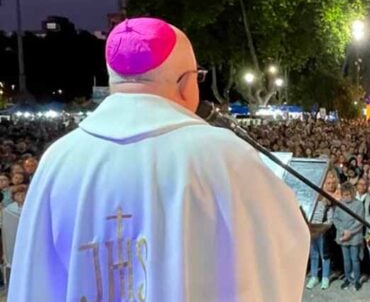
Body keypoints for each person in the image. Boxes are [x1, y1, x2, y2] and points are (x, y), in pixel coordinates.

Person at [8, 17, 309, 301]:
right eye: (198, 77)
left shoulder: (59, 160)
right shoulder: (227, 158)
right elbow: (280, 250)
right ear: (184, 83)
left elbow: (36, 280)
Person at [307, 172, 338, 290]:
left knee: (324, 255)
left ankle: (325, 277)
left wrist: (321, 229)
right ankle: (314, 276)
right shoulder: (313, 201)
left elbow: (330, 220)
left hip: (322, 232)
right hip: (312, 229)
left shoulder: (328, 203)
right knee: (313, 254)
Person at [333, 183, 365, 291]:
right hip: (342, 235)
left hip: (354, 235)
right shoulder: (339, 204)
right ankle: (347, 278)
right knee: (346, 260)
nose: (347, 197)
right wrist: (343, 231)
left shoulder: (359, 204)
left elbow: (359, 221)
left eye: (349, 194)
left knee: (354, 259)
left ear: (353, 193)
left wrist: (350, 232)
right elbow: (335, 219)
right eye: (344, 195)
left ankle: (356, 280)